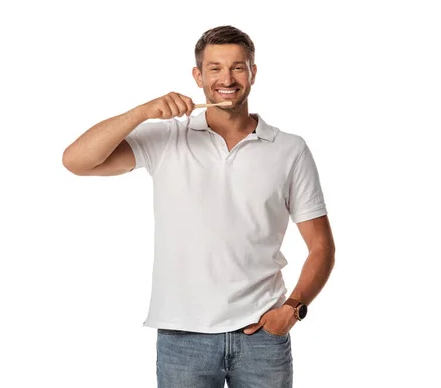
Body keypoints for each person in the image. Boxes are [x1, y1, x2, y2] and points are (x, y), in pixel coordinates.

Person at [62, 25, 335, 388]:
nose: (227, 78)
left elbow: (321, 245)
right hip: (182, 338)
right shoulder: (167, 137)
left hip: (262, 335)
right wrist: (142, 112)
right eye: (215, 68)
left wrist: (293, 309)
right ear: (198, 76)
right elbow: (77, 161)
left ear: (253, 72)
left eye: (238, 67)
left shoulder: (289, 149)